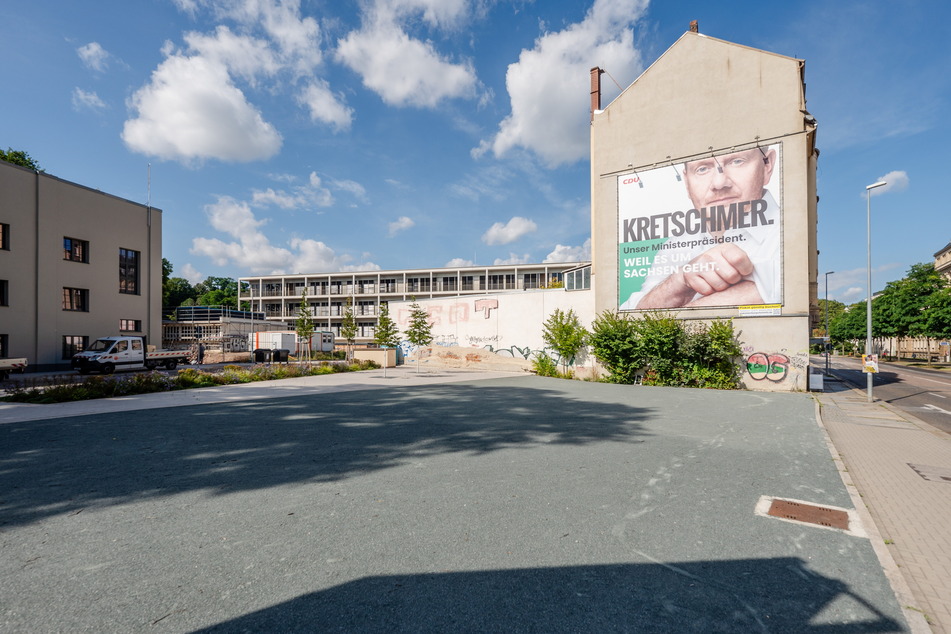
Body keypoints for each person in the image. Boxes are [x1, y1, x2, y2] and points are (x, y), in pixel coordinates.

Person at [628, 146, 780, 309]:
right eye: (702, 169)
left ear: (767, 165)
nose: (719, 183)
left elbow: (789, 293)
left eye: (737, 161)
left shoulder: (790, 231)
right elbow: (631, 312)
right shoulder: (678, 241)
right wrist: (679, 280)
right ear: (686, 182)